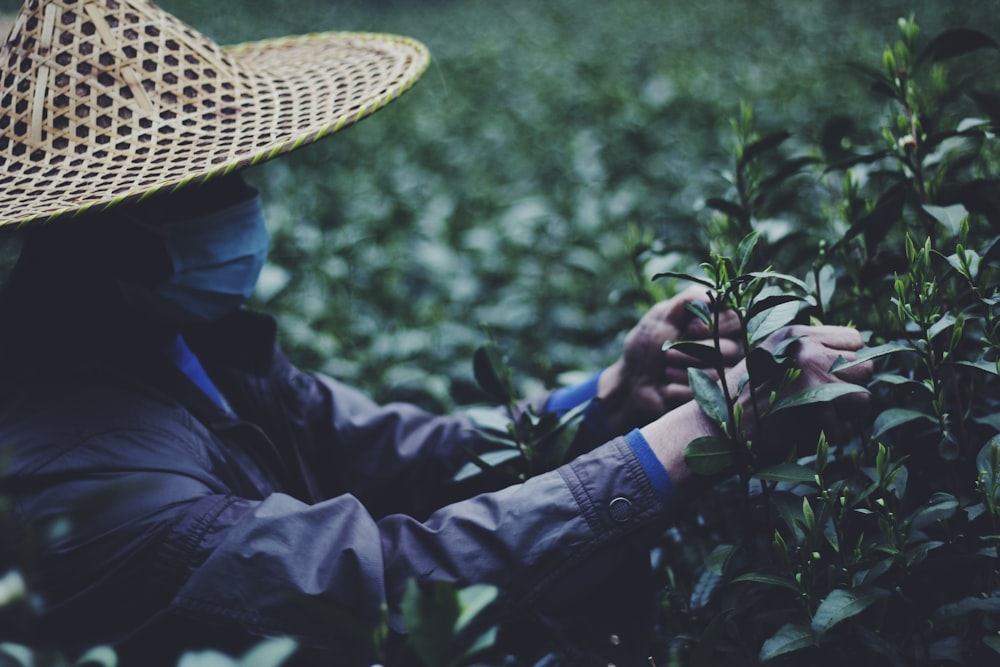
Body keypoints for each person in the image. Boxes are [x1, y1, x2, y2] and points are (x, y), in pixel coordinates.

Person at [0, 1, 873, 665]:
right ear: (98, 228)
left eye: (240, 175)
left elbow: (398, 452)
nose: (243, 206)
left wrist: (610, 397)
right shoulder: (76, 473)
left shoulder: (177, 338)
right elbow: (378, 585)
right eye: (200, 190)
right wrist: (689, 441)